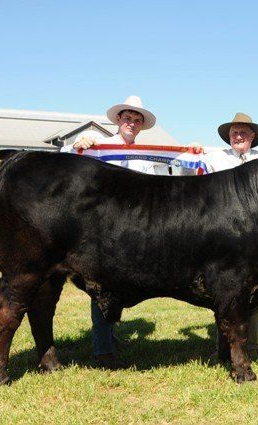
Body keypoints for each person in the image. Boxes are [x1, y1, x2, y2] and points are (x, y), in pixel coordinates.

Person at [61, 95, 158, 368]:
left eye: (137, 120)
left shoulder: (146, 154)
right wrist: (77, 145)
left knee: (120, 283)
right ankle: (103, 347)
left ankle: (109, 337)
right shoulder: (99, 146)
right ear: (118, 120)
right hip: (102, 228)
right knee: (102, 284)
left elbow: (154, 186)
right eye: (128, 118)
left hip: (133, 229)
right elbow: (64, 161)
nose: (132, 123)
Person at [203, 112, 258, 356]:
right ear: (228, 137)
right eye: (234, 132)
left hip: (257, 238)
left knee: (253, 291)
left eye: (243, 132)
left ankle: (250, 345)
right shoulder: (213, 160)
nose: (238, 136)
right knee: (224, 292)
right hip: (223, 236)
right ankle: (223, 348)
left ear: (253, 136)